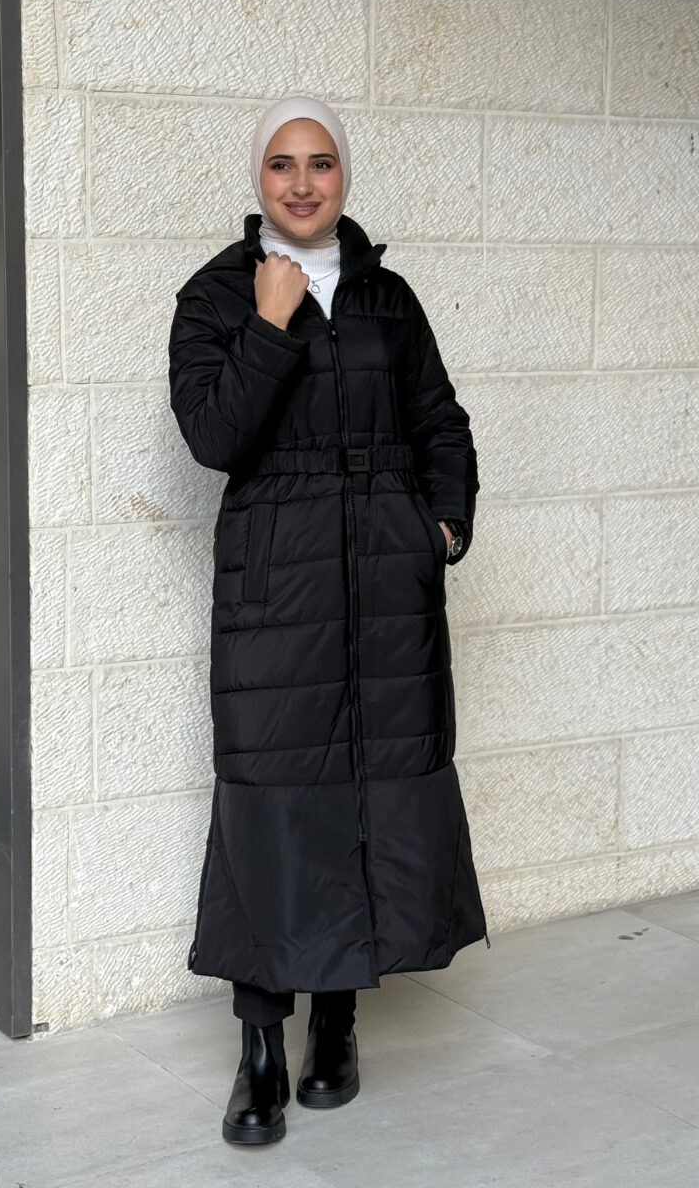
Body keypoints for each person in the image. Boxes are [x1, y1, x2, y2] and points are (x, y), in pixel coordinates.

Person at [168, 94, 490, 1146]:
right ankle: (262, 1046)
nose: (302, 183)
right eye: (281, 164)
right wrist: (270, 322)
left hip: (387, 590)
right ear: (256, 178)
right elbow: (215, 438)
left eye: (320, 163)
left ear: (343, 175)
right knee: (274, 808)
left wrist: (441, 527)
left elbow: (440, 420)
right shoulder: (217, 296)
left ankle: (338, 1025)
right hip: (279, 592)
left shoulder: (389, 298)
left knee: (368, 794)